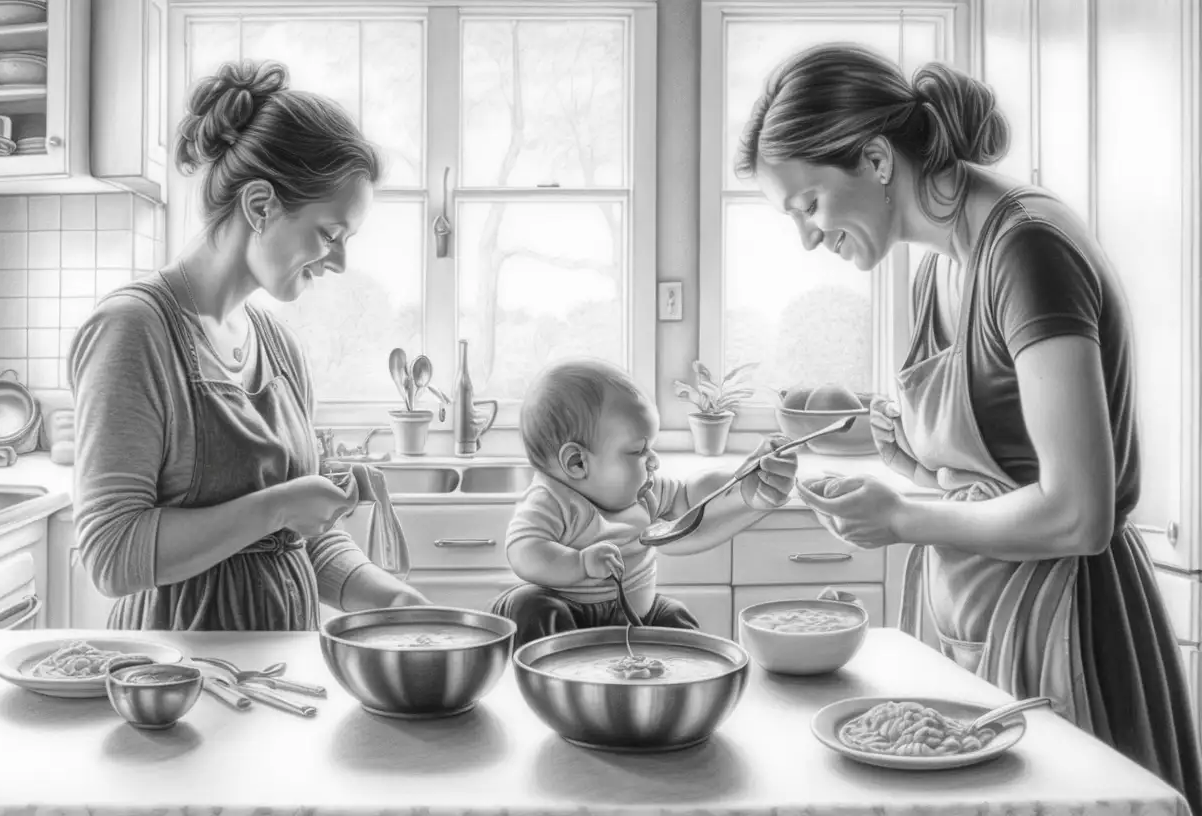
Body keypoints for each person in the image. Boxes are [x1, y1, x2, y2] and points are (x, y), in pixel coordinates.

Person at [736, 43, 1200, 810]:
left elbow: (1078, 513)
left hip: (1063, 632)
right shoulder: (935, 267)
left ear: (877, 158)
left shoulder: (1027, 249)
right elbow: (994, 474)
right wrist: (909, 466)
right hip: (973, 632)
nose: (809, 238)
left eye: (809, 205)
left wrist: (906, 516)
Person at [68, 58, 429, 631]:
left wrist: (390, 601)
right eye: (329, 235)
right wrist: (278, 505)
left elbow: (301, 541)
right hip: (177, 680)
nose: (339, 261)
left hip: (285, 669)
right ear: (260, 205)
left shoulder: (279, 347)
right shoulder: (133, 331)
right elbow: (112, 554)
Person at [490, 359, 798, 649]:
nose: (654, 460)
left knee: (674, 618)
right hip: (570, 622)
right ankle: (550, 684)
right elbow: (524, 551)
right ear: (577, 462)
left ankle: (679, 687)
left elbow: (691, 496)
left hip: (634, 618)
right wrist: (580, 564)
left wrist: (742, 478)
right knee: (528, 608)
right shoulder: (551, 500)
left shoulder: (642, 493)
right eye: (639, 450)